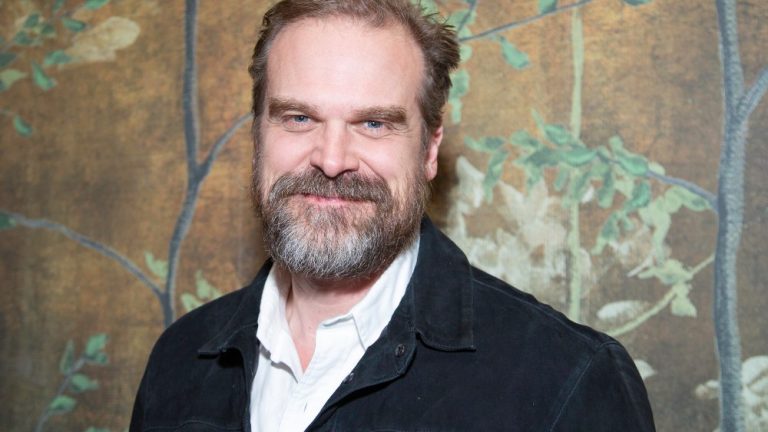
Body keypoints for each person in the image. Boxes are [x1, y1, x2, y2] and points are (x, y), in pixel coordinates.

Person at [130, 1, 656, 431]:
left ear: (429, 150)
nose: (332, 160)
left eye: (375, 124)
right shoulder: (180, 359)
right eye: (298, 117)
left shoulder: (567, 379)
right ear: (258, 137)